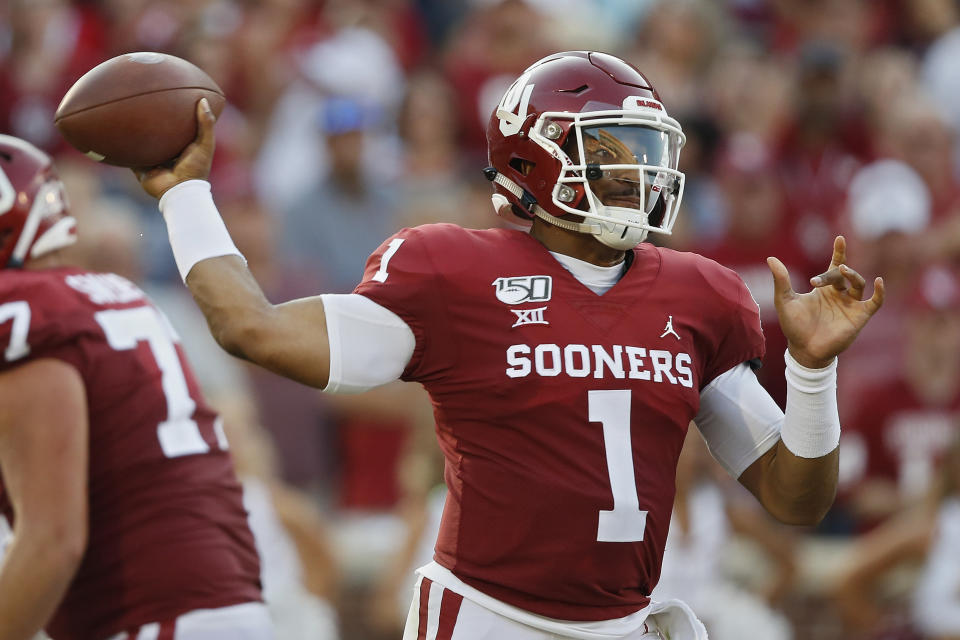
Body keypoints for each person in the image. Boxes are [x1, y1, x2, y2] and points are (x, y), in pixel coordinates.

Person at [133, 51, 884, 639]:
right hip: (489, 621)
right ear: (535, 159)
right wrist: (185, 195)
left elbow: (795, 499)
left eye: (645, 148)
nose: (639, 170)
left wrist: (812, 373)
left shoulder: (698, 294)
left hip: (626, 624)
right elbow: (251, 327)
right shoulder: (454, 271)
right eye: (612, 148)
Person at [0, 135, 272, 640]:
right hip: (217, 599)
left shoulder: (25, 314)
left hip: (152, 614)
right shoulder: (116, 295)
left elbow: (52, 540)